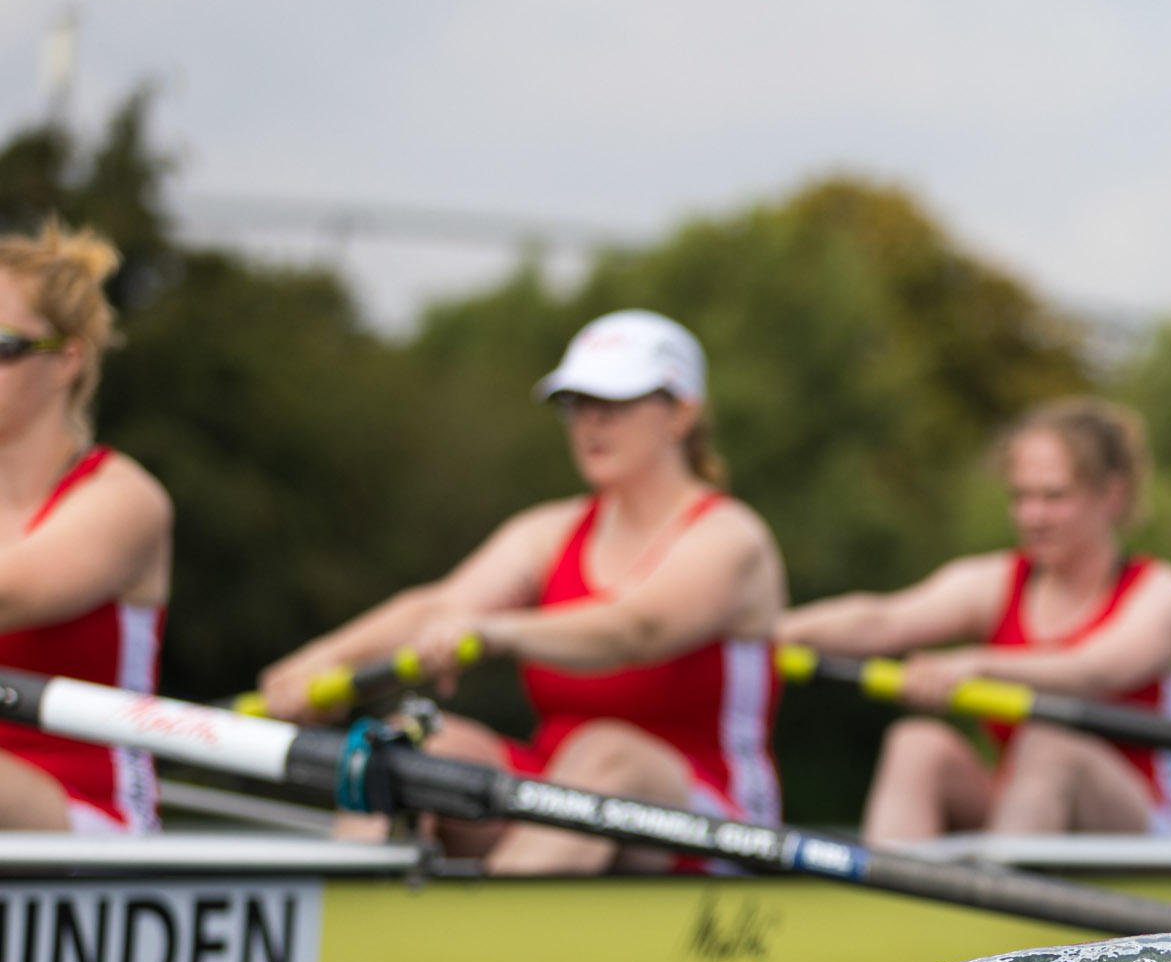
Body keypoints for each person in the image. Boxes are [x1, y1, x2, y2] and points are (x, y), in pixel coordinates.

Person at [256, 309, 787, 873]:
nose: (590, 424)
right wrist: (320, 663)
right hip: (561, 795)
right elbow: (438, 606)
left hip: (717, 825)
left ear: (682, 413)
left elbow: (635, 629)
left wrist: (498, 632)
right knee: (409, 746)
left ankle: (490, 942)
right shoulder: (548, 531)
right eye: (577, 404)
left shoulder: (732, 537)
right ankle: (346, 931)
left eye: (615, 403)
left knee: (606, 753)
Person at [775, 398, 1171, 842]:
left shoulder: (1168, 595)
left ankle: (993, 898)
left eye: (1053, 497)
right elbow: (882, 619)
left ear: (1112, 495)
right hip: (1031, 813)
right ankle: (893, 905)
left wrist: (978, 665)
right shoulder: (997, 582)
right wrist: (773, 632)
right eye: (1020, 496)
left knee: (1049, 744)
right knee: (916, 744)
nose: (1032, 517)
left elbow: (1094, 669)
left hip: (1156, 830)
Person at [0, 223, 173, 834]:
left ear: (66, 359)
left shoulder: (125, 500)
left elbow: (12, 591)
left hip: (96, 828)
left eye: (0, 344)